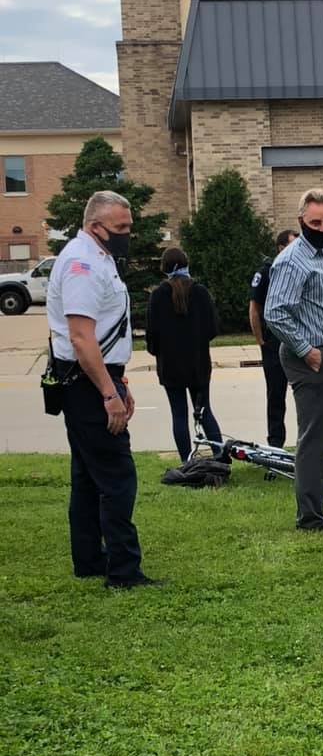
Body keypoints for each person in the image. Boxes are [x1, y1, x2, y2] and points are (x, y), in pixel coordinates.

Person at [46, 190, 158, 589]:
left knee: (88, 476)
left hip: (98, 374)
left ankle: (90, 558)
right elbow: (81, 337)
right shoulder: (81, 263)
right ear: (96, 227)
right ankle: (124, 571)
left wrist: (119, 381)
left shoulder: (100, 258)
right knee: (116, 476)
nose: (128, 234)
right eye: (121, 228)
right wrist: (109, 394)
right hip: (88, 382)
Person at [264, 187, 323, 533]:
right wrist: (308, 351)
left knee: (321, 439)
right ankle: (310, 517)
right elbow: (275, 312)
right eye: (316, 222)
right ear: (302, 220)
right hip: (310, 356)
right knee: (314, 441)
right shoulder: (292, 259)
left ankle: (314, 510)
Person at [146, 247, 222, 462]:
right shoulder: (200, 292)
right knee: (205, 410)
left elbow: (152, 334)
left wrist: (158, 351)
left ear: (165, 269)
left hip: (170, 365)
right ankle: (219, 454)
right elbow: (213, 328)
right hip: (198, 363)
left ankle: (186, 460)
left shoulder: (159, 295)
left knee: (178, 414)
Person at [248, 229, 299, 448]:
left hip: (298, 342)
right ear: (281, 248)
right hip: (274, 343)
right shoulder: (267, 272)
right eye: (293, 245)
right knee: (276, 397)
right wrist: (261, 341)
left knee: (307, 398)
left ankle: (309, 451)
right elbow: (254, 308)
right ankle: (276, 446)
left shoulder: (300, 270)